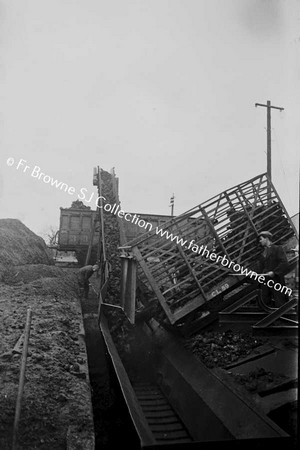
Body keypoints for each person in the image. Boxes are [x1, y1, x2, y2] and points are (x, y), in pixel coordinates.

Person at [256, 231, 289, 308]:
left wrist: (274, 272)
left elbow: (284, 263)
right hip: (265, 281)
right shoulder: (262, 253)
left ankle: (283, 317)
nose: (259, 241)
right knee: (264, 302)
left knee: (280, 302)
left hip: (276, 280)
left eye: (261, 239)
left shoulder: (277, 249)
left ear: (266, 238)